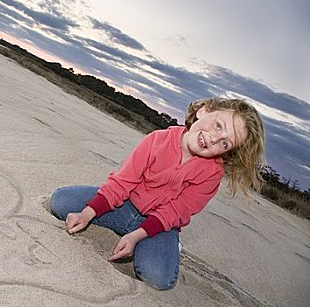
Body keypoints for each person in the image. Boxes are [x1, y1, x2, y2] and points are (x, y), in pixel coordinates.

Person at [49, 97, 265, 290]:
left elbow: (175, 211)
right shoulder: (158, 139)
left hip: (159, 224)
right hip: (123, 205)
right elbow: (122, 183)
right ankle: (106, 219)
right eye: (218, 126)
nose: (213, 139)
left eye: (225, 143)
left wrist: (135, 237)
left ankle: (165, 245)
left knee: (158, 277)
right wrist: (87, 214)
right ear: (204, 110)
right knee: (61, 202)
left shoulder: (212, 174)